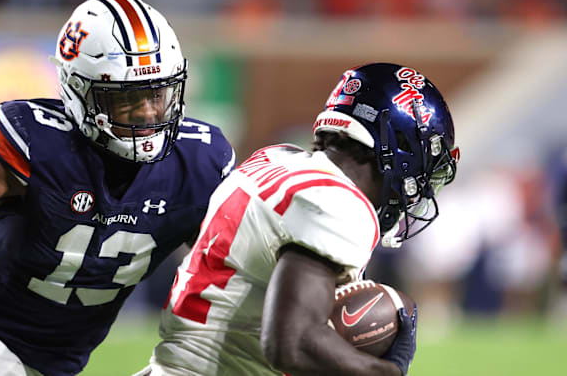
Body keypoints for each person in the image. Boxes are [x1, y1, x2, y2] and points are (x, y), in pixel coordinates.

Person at [0, 0, 235, 376]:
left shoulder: (199, 162)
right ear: (79, 93)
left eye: (157, 93)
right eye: (129, 99)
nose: (149, 113)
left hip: (58, 367)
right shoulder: (43, 144)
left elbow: (233, 262)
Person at [140, 63, 460, 376]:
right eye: (424, 164)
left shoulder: (274, 159)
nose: (420, 184)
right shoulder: (338, 201)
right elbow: (292, 343)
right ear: (399, 145)